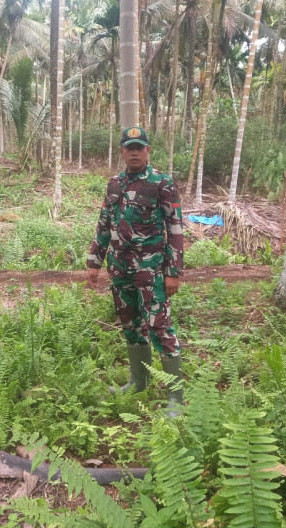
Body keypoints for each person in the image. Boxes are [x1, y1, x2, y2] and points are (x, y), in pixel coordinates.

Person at [87, 126, 185, 415]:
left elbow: (175, 229)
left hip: (151, 270)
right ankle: (138, 383)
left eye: (139, 147)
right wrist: (94, 261)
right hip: (120, 269)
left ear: (147, 150)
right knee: (130, 325)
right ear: (122, 151)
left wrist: (173, 271)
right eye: (129, 148)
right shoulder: (114, 184)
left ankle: (176, 397)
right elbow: (104, 223)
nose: (134, 152)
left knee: (160, 327)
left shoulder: (162, 184)